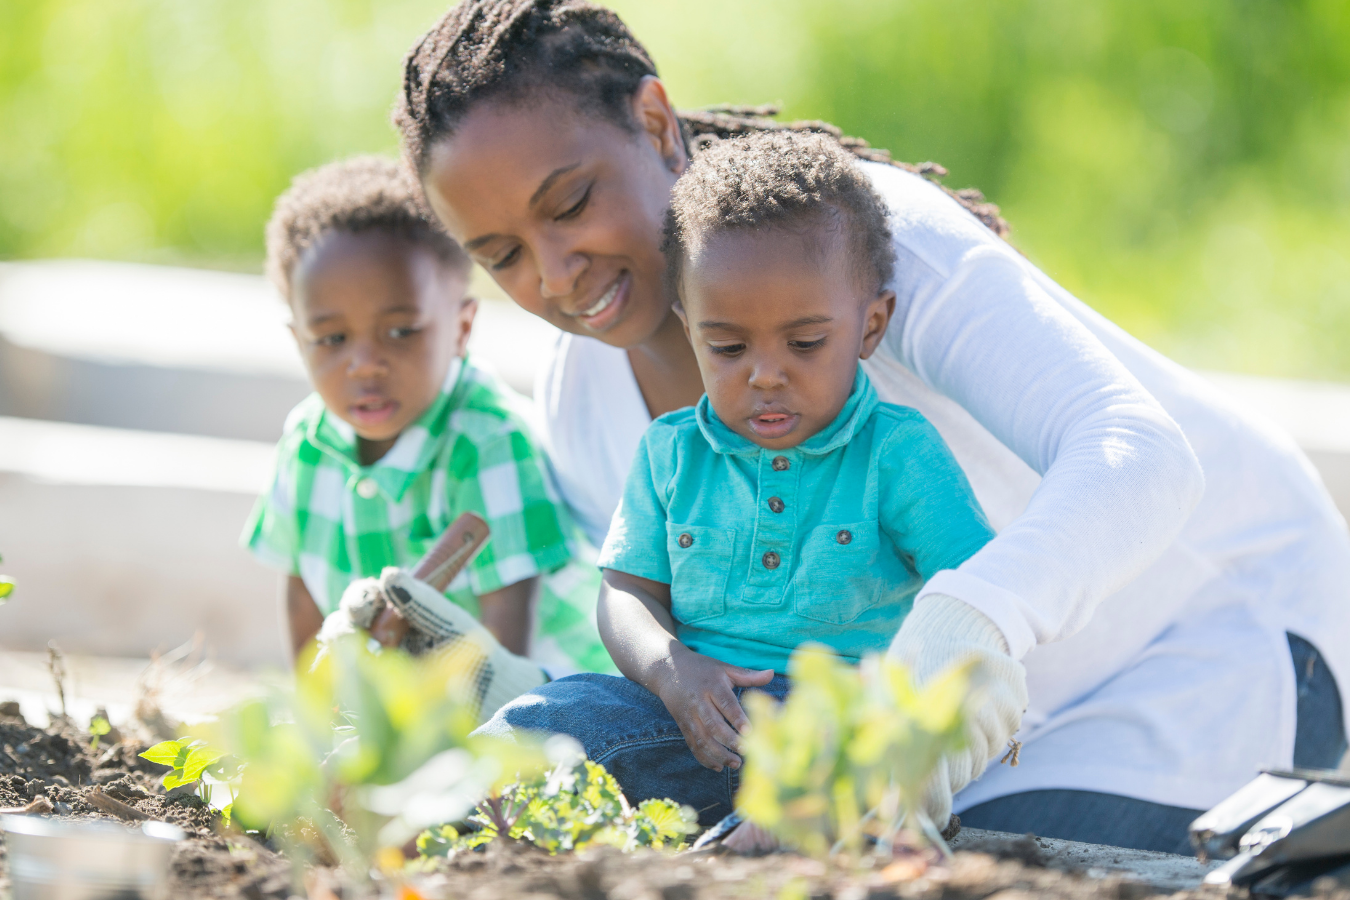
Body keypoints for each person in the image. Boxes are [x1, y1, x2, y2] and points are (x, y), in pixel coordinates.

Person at [394, 0, 1350, 853]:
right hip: (918, 744)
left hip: (1212, 657)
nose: (556, 272)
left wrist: (967, 623)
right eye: (504, 254)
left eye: (571, 204)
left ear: (653, 123)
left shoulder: (858, 240)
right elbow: (699, 651)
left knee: (925, 867)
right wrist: (502, 684)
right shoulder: (585, 396)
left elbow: (1140, 455)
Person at [482, 131, 1002, 824]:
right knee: (557, 714)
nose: (764, 373)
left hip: (840, 730)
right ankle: (431, 797)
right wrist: (670, 669)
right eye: (726, 347)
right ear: (689, 328)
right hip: (692, 717)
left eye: (805, 343)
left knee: (846, 781)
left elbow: (977, 598)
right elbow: (626, 592)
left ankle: (768, 836)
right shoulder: (671, 453)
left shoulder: (896, 453)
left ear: (871, 325)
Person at [242, 155, 616, 689]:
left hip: (547, 691)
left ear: (461, 327)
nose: (364, 363)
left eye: (400, 332)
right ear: (298, 340)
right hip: (418, 697)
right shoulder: (306, 444)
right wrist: (318, 717)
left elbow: (509, 624)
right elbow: (302, 592)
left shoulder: (487, 442)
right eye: (331, 340)